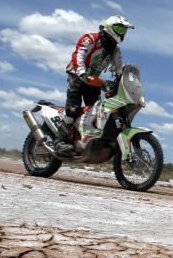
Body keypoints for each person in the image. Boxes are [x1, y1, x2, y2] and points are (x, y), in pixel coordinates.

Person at [54, 15, 134, 155]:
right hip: (77, 75)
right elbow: (78, 55)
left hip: (93, 81)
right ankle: (59, 141)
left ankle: (87, 139)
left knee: (97, 112)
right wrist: (81, 73)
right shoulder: (91, 38)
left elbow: (118, 69)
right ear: (109, 26)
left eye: (124, 31)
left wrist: (121, 81)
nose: (121, 33)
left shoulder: (115, 49)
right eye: (119, 29)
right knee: (72, 109)